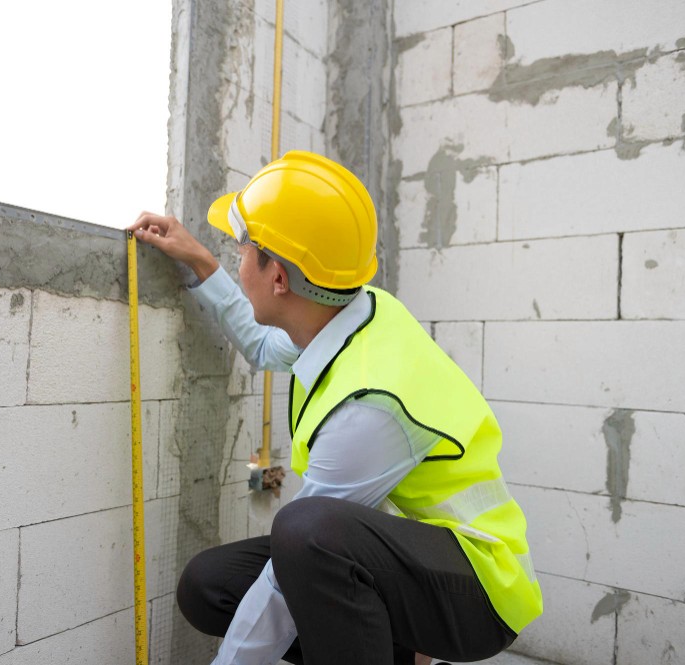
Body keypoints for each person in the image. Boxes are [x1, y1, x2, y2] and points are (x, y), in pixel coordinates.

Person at [129, 151, 542, 665]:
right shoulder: (353, 313)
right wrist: (201, 263)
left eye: (240, 251)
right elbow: (262, 344)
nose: (237, 261)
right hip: (409, 557)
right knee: (208, 585)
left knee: (304, 532)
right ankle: (396, 653)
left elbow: (284, 586)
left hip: (478, 592)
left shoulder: (369, 409)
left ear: (278, 278)